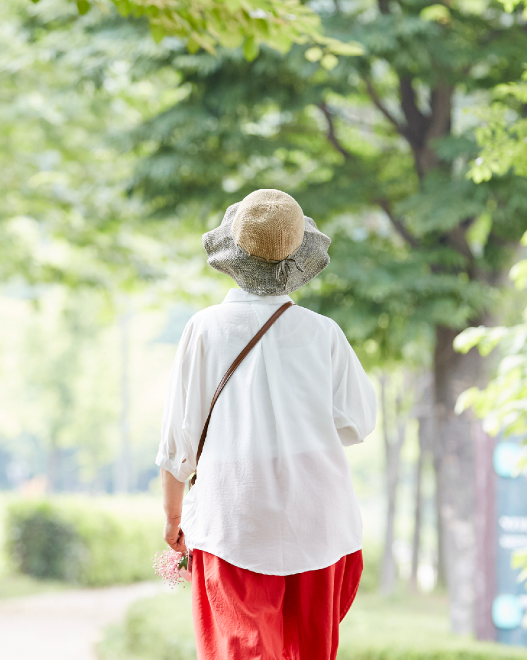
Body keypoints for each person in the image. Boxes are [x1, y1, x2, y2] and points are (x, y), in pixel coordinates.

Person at [156, 189, 377, 660]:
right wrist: (299, 429)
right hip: (320, 524)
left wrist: (174, 517)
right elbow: (358, 422)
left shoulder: (205, 328)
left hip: (233, 520)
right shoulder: (324, 333)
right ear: (296, 258)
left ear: (234, 255)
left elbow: (179, 441)